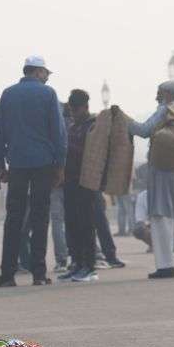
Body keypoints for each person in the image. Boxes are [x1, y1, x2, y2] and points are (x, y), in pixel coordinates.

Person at [0, 56, 66, 287]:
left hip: (17, 163)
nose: (47, 77)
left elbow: (0, 132)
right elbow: (58, 132)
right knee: (40, 217)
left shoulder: (8, 94)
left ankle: (7, 273)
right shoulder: (48, 94)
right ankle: (39, 273)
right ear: (37, 72)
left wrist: (1, 165)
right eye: (46, 73)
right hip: (43, 162)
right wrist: (60, 165)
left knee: (13, 218)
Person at [126, 81, 174, 279]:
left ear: (166, 94)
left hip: (163, 175)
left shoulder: (165, 111)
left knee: (161, 219)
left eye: (158, 93)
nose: (156, 97)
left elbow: (143, 130)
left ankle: (166, 266)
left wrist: (123, 120)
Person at [62, 90, 100, 283]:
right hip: (69, 181)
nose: (74, 113)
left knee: (86, 225)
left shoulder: (92, 127)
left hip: (86, 182)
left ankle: (89, 266)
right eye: (71, 109)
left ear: (86, 106)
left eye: (76, 109)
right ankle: (76, 263)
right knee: (72, 225)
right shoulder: (72, 126)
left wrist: (67, 147)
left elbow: (91, 152)